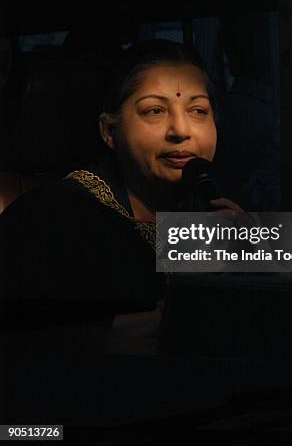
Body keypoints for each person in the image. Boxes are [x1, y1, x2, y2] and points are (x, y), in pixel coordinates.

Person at [0, 39, 242, 352]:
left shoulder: (216, 209)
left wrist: (261, 249)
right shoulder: (50, 218)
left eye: (198, 110)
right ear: (108, 131)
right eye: (154, 111)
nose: (181, 129)